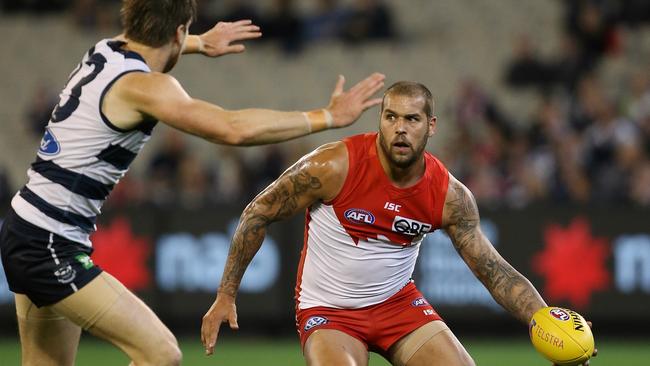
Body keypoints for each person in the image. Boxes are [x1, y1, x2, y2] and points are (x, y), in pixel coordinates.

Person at [0, 1, 385, 365]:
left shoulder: (103, 50)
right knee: (162, 353)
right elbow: (231, 129)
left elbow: (156, 40)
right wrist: (327, 116)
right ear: (180, 29)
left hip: (25, 224)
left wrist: (199, 42)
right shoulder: (146, 86)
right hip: (50, 245)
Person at [202, 81, 596, 366]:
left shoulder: (448, 195)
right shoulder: (333, 166)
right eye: (390, 117)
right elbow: (259, 212)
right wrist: (226, 293)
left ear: (431, 126)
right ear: (381, 121)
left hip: (397, 305)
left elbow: (494, 271)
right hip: (330, 310)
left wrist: (546, 321)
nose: (400, 128)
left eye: (411, 118)